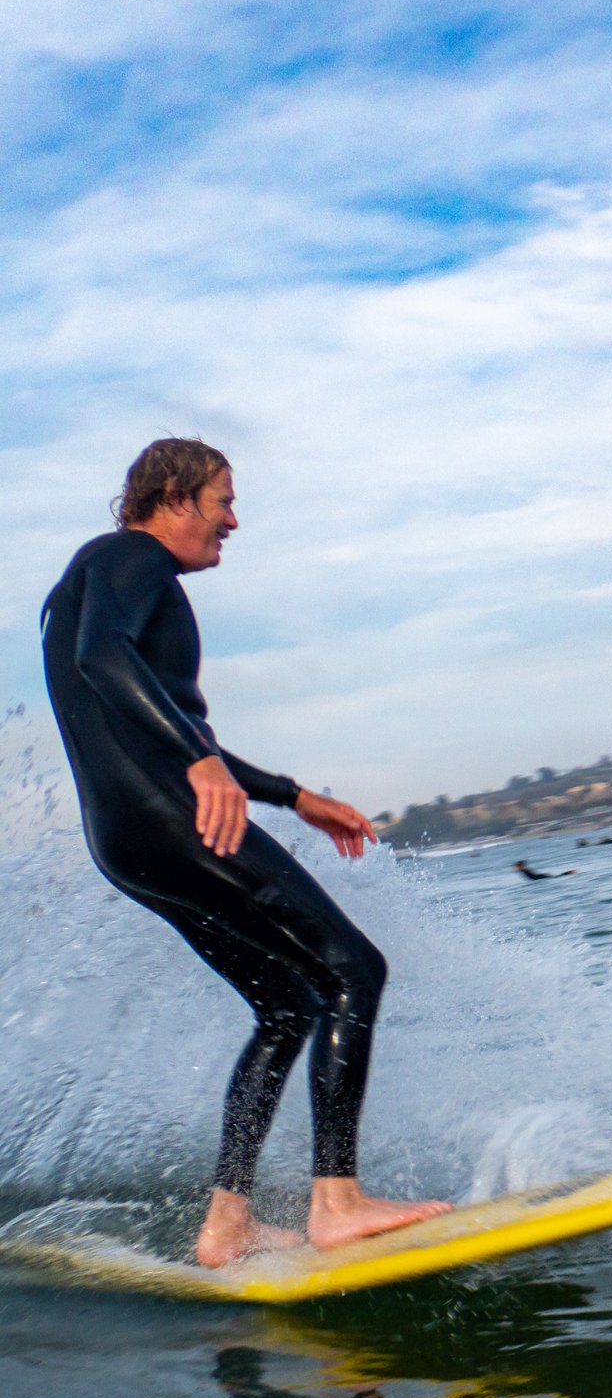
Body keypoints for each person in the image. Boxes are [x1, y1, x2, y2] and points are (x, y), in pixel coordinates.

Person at [40, 439, 451, 1268]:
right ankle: (336, 1201)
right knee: (354, 970)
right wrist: (196, 762)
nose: (234, 518)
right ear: (174, 495)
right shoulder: (128, 556)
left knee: (289, 1003)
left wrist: (292, 794)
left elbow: (140, 697)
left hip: (125, 839)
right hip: (174, 818)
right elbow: (104, 660)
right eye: (224, 499)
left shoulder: (81, 587)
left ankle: (226, 1224)